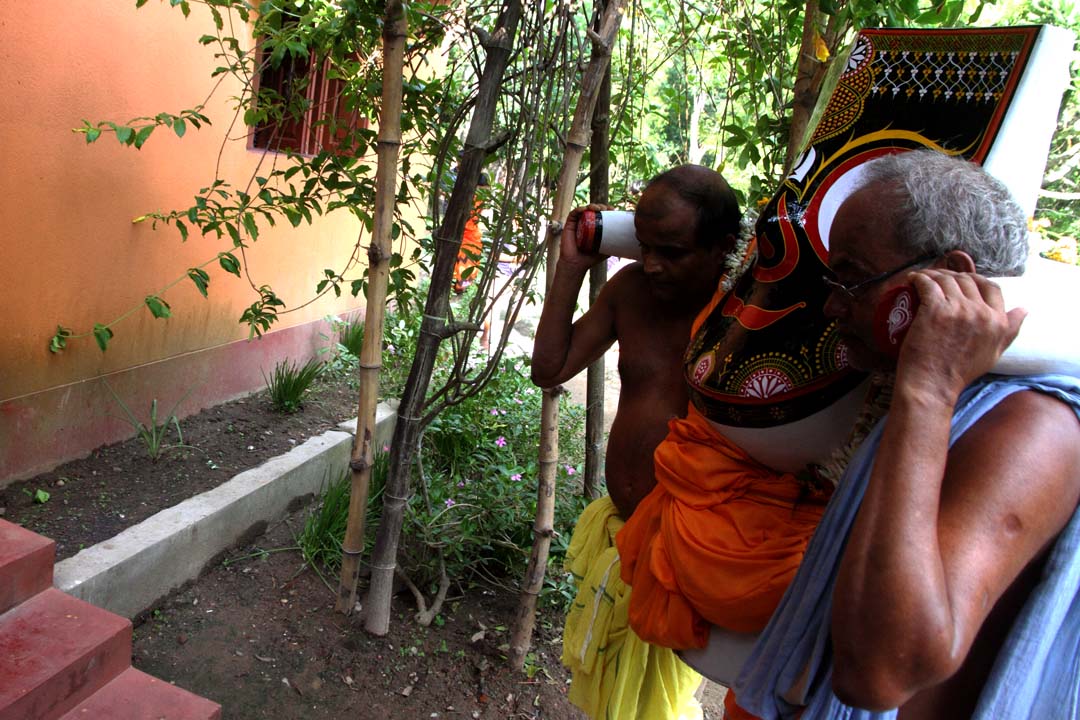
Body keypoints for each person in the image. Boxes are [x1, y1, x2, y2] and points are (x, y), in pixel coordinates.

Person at [730, 149, 1080, 719]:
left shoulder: (1033, 427)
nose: (832, 306)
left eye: (851, 279)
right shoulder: (948, 395)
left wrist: (930, 390)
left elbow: (881, 675)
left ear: (953, 283)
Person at [531, 164, 743, 719]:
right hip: (621, 532)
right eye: (643, 247)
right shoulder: (630, 292)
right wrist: (573, 268)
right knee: (608, 694)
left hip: (682, 552)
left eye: (671, 252)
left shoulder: (743, 318)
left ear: (721, 248)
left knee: (651, 707)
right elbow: (550, 368)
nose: (652, 264)